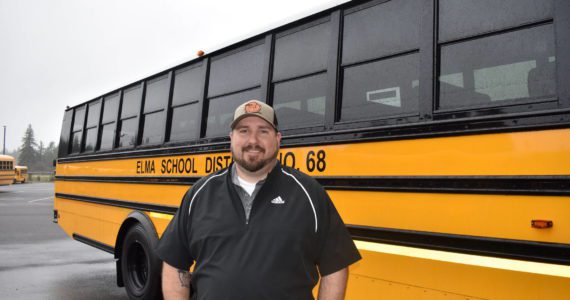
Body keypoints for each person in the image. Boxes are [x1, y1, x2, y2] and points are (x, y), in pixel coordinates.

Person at [156, 99, 361, 300]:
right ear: (231, 138)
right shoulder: (200, 194)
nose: (253, 140)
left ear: (278, 139)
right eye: (243, 130)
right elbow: (175, 261)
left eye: (263, 131)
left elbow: (335, 265)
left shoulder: (309, 194)